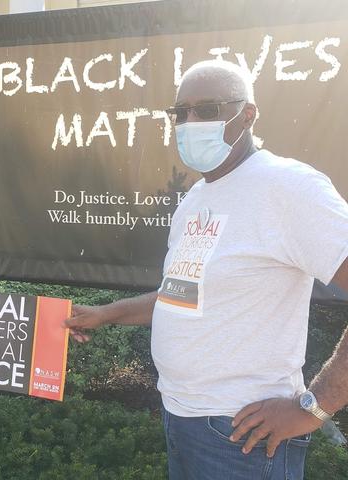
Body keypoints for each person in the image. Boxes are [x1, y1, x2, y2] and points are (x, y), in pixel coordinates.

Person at [64, 60, 348, 480]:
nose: (190, 122)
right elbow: (180, 295)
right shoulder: (196, 199)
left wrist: (317, 405)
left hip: (244, 439)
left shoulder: (289, 187)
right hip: (181, 420)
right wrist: (108, 313)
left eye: (207, 109)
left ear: (247, 115)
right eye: (181, 112)